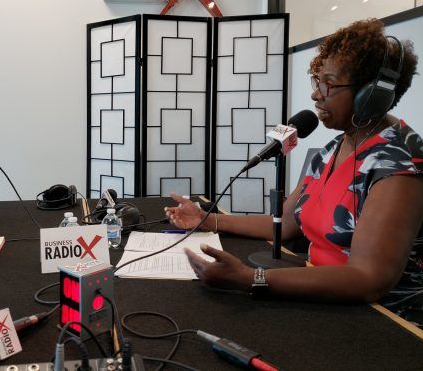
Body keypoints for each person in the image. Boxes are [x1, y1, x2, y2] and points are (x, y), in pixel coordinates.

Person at [165, 19, 423, 317]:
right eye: (317, 81)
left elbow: (368, 279)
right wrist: (208, 220)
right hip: (318, 295)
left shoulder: (400, 164)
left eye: (329, 83)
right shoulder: (332, 150)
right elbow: (286, 224)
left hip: (383, 319)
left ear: (373, 95)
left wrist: (252, 279)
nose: (316, 94)